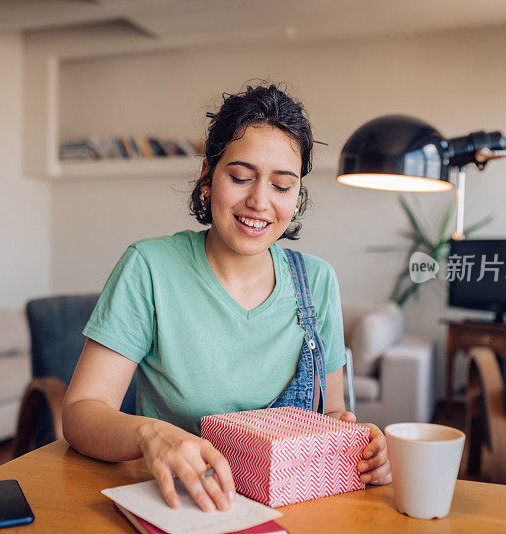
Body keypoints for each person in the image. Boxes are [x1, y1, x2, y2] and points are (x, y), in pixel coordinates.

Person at [62, 84, 391, 514]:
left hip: (293, 511)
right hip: (183, 508)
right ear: (207, 175)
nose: (259, 201)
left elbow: (329, 414)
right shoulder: (150, 267)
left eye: (282, 186)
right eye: (240, 177)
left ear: (297, 196)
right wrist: (149, 435)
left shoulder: (317, 282)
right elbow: (81, 413)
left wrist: (359, 448)